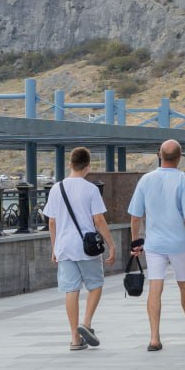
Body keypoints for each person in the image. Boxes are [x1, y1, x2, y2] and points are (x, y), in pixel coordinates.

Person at [42, 146, 116, 351]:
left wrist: (54, 247)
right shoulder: (91, 189)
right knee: (96, 285)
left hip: (64, 247)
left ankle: (75, 337)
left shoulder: (56, 188)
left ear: (70, 164)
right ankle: (86, 323)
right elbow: (99, 220)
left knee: (71, 290)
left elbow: (51, 222)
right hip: (87, 247)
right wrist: (111, 245)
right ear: (88, 166)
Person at [128, 139, 185, 351]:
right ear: (180, 157)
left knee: (155, 287)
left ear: (159, 154)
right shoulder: (184, 181)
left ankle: (154, 338)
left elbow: (135, 216)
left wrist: (136, 242)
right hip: (179, 243)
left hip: (154, 243)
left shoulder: (146, 180)